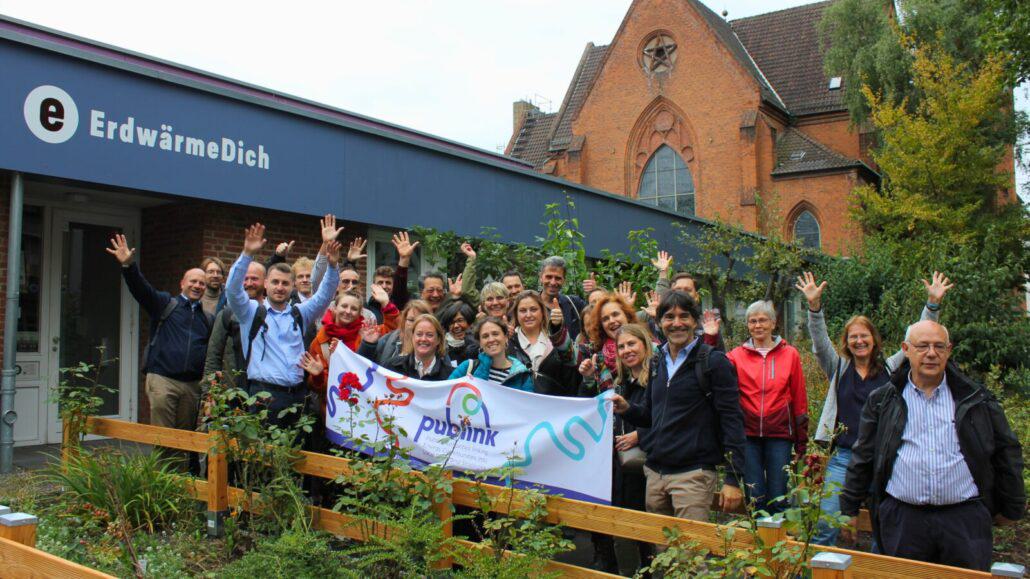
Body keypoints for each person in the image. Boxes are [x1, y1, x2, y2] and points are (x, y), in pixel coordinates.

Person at [839, 320, 1025, 571]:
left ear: (949, 350)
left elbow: (1007, 451)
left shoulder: (975, 398)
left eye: (939, 346)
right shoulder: (884, 399)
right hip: (904, 519)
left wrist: (1012, 506)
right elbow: (864, 455)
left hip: (963, 520)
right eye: (923, 346)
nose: (931, 353)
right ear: (906, 349)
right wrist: (849, 507)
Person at [798, 270, 951, 546]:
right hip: (844, 457)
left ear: (873, 339)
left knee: (886, 527)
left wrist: (932, 305)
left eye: (864, 336)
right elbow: (820, 343)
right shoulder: (839, 367)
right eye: (853, 337)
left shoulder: (890, 369)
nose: (859, 341)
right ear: (847, 341)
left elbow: (916, 341)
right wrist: (814, 307)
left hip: (883, 457)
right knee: (826, 523)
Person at [612, 291, 746, 522]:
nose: (677, 323)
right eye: (669, 317)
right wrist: (628, 409)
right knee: (662, 553)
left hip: (692, 475)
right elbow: (650, 416)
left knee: (691, 554)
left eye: (684, 316)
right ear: (659, 322)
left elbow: (732, 420)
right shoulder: (657, 362)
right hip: (655, 474)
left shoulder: (713, 362)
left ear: (695, 321)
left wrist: (733, 479)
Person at [107, 234, 213, 468]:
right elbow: (142, 290)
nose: (197, 286)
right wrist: (128, 266)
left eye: (201, 283)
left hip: (192, 385)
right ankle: (162, 483)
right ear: (182, 284)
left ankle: (179, 486)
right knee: (164, 437)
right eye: (193, 281)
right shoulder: (166, 304)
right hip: (163, 379)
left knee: (184, 439)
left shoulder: (207, 318)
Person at [225, 219, 341, 429]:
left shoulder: (300, 313)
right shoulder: (250, 311)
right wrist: (247, 254)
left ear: (293, 286)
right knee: (262, 459)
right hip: (263, 397)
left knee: (296, 458)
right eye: (275, 282)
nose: (280, 287)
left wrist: (332, 265)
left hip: (297, 398)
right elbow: (232, 290)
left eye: (285, 283)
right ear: (266, 283)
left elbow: (325, 295)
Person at [726, 300, 807, 515]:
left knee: (779, 494)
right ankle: (758, 545)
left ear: (773, 323)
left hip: (779, 434)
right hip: (748, 434)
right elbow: (722, 385)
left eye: (762, 320)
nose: (757, 325)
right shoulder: (735, 356)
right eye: (752, 321)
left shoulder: (790, 354)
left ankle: (779, 544)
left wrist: (801, 442)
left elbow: (799, 397)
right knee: (755, 495)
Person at [591, 323, 657, 573]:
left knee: (645, 530)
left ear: (644, 345)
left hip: (647, 466)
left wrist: (639, 435)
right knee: (624, 529)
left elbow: (667, 419)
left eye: (632, 344)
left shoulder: (658, 380)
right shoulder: (620, 383)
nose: (627, 350)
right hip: (621, 467)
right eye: (622, 346)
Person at [306, 288, 399, 414]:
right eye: (344, 306)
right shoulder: (320, 342)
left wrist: (386, 304)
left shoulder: (368, 332)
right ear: (335, 308)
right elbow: (320, 388)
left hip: (368, 408)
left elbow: (393, 330)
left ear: (360, 313)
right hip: (335, 411)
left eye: (354, 309)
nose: (348, 311)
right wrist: (318, 376)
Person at [204, 261, 266, 391]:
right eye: (245, 279)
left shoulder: (272, 314)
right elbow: (213, 357)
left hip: (266, 393)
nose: (249, 283)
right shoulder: (227, 315)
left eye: (254, 279)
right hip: (233, 393)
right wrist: (209, 394)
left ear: (265, 282)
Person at [508, 290, 578, 396]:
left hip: (553, 405)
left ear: (542, 311)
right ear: (516, 314)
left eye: (533, 309)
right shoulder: (509, 342)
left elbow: (571, 362)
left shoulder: (557, 338)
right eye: (522, 310)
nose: (528, 315)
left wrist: (557, 328)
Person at [577, 293, 639, 395]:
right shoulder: (597, 357)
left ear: (627, 315)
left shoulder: (647, 347)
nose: (612, 321)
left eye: (615, 314)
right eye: (605, 319)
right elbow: (586, 401)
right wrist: (589, 378)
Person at [450, 317, 534, 391]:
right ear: (480, 343)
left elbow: (527, 406)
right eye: (485, 336)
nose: (491, 339)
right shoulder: (467, 367)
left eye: (495, 334)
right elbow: (446, 394)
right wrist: (463, 388)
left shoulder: (522, 375)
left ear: (506, 337)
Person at [379, 314, 453, 381]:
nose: (423, 339)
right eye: (419, 334)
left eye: (429, 335)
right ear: (413, 337)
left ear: (438, 340)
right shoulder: (392, 367)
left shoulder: (449, 375)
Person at [359, 299, 433, 364]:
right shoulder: (386, 340)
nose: (415, 325)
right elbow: (362, 366)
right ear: (404, 321)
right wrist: (367, 345)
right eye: (411, 320)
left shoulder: (439, 347)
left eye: (420, 320)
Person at [538, 256, 587, 341]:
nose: (553, 282)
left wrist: (595, 292)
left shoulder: (575, 304)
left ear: (564, 280)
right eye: (549, 277)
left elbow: (597, 315)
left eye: (558, 278)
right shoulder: (531, 306)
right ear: (540, 277)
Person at [438, 300, 477, 365]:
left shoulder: (479, 346)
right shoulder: (441, 349)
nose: (456, 326)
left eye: (460, 320)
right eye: (451, 322)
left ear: (470, 322)